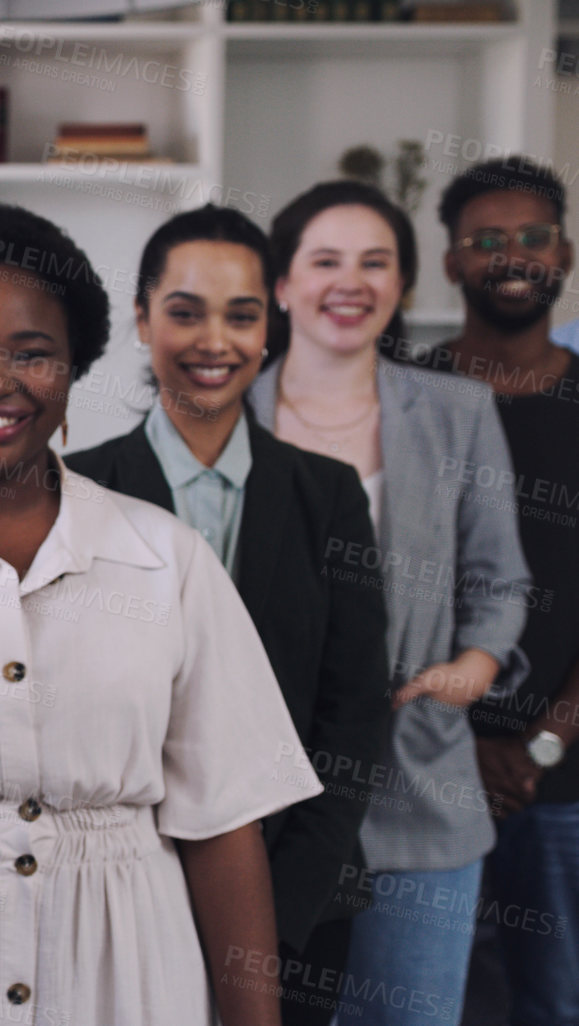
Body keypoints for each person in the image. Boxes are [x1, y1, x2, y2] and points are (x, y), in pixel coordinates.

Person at [0, 202, 320, 1026]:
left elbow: (223, 830)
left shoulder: (165, 557)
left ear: (74, 365)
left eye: (31, 353)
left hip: (132, 981)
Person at [65, 204, 393, 1026]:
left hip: (301, 902)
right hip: (122, 896)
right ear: (141, 320)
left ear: (269, 325)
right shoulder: (73, 490)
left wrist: (264, 917)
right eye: (184, 312)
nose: (214, 340)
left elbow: (352, 719)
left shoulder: (327, 497)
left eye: (240, 315)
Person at [248, 179, 533, 1026]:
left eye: (375, 263)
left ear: (403, 285)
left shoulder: (455, 411)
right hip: (266, 792)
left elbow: (497, 576)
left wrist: (474, 669)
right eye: (325, 260)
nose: (351, 281)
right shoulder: (228, 413)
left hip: (420, 782)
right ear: (282, 285)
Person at [424, 158, 579, 1026]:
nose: (511, 256)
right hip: (417, 772)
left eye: (531, 237)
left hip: (559, 786)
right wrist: (456, 744)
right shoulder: (398, 392)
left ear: (562, 253)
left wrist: (540, 747)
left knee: (554, 1005)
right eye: (486, 240)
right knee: (425, 1001)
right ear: (450, 262)